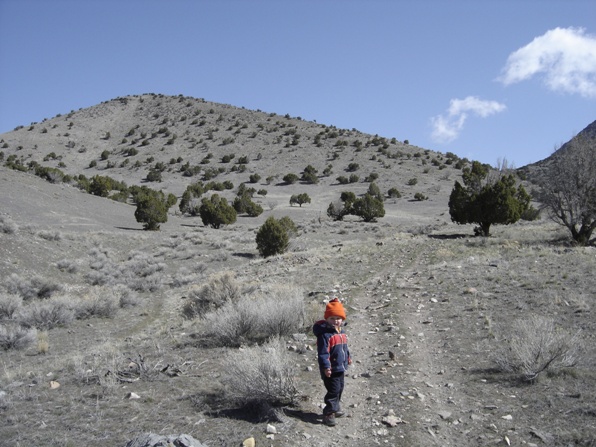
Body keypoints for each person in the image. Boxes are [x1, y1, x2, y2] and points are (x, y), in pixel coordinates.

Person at [313, 297, 352, 426]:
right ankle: (329, 412)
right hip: (331, 368)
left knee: (340, 388)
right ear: (327, 319)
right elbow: (323, 353)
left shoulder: (342, 333)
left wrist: (348, 357)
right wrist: (326, 367)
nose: (335, 321)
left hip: (341, 366)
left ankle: (335, 407)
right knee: (333, 390)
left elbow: (344, 348)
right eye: (332, 318)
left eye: (338, 318)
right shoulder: (325, 335)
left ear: (342, 319)